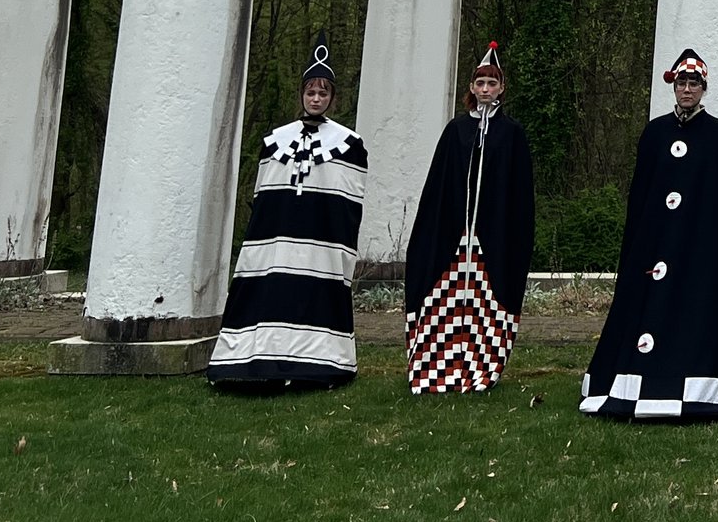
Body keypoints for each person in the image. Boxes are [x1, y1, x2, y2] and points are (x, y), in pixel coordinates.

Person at [582, 48, 718, 420]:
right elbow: (642, 193)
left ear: (704, 89)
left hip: (698, 246)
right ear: (674, 88)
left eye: (694, 84)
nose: (687, 90)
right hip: (656, 245)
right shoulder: (654, 134)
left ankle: (698, 384)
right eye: (682, 83)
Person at [207, 35, 367, 390]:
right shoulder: (274, 140)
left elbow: (348, 198)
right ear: (302, 95)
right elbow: (263, 193)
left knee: (313, 294)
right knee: (270, 290)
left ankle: (320, 363)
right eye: (311, 93)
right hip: (275, 239)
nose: (316, 99)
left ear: (332, 98)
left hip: (321, 242)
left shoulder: (349, 145)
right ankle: (254, 358)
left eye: (323, 94)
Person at [404, 40, 535, 394]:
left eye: (492, 84)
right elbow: (439, 185)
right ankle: (437, 366)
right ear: (472, 88)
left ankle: (481, 365)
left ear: (502, 89)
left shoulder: (511, 134)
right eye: (480, 83)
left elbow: (519, 191)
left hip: (491, 239)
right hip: (454, 238)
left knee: (484, 301)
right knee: (445, 298)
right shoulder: (455, 131)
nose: (485, 90)